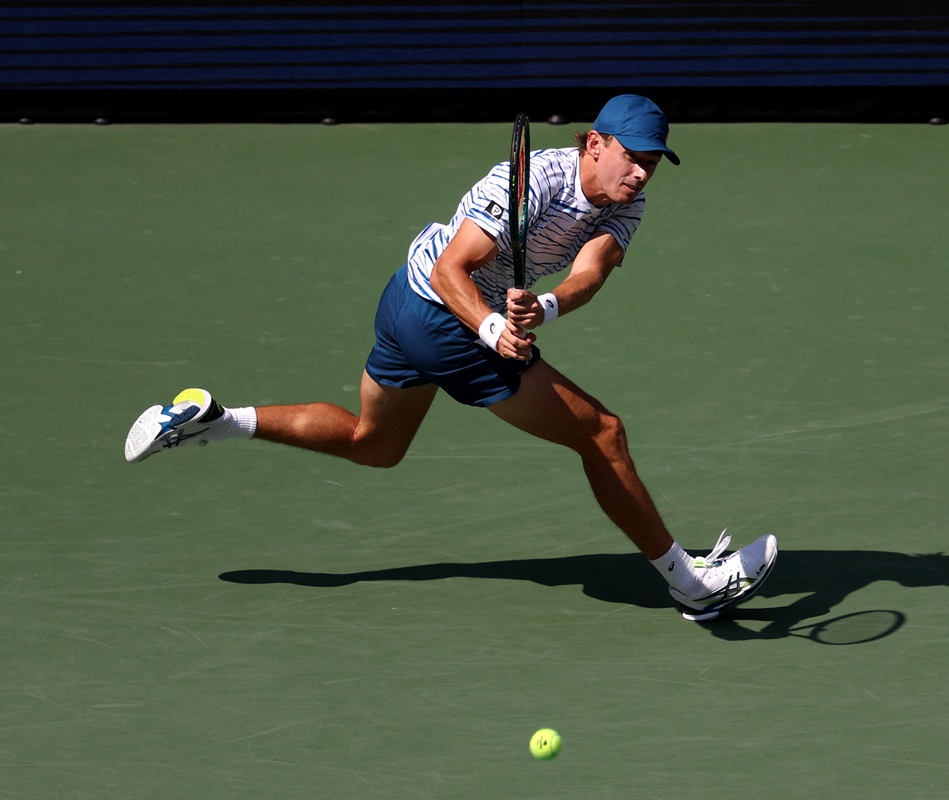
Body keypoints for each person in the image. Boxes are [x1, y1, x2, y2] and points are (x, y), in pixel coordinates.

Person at [123, 94, 777, 622]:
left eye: (653, 163)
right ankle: (689, 584)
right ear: (595, 144)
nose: (640, 173)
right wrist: (492, 328)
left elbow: (592, 269)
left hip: (404, 308)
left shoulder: (627, 201)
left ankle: (214, 417)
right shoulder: (532, 179)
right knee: (601, 433)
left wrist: (544, 309)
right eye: (631, 157)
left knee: (373, 442)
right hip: (440, 311)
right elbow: (450, 269)